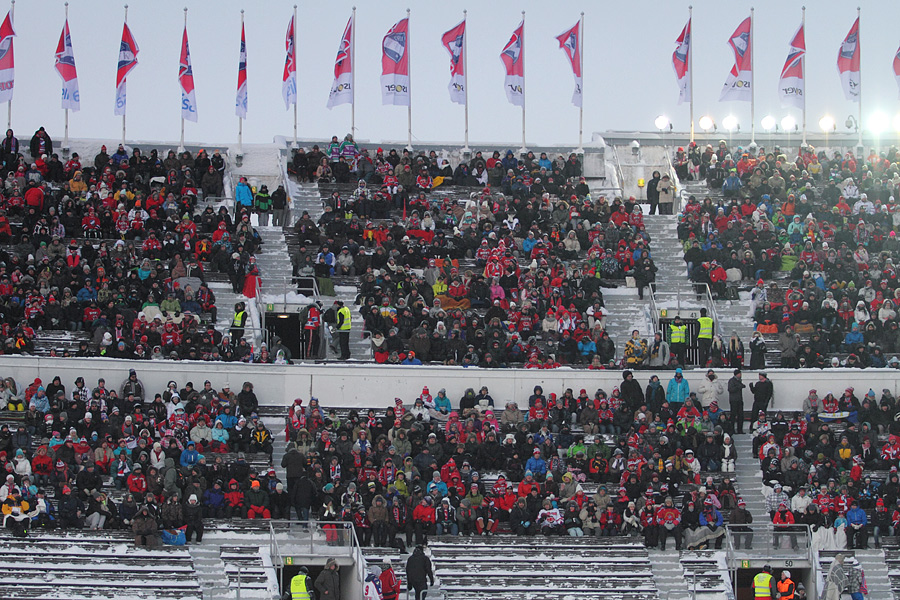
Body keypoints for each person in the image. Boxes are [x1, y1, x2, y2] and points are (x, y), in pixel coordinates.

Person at [728, 369, 746, 434]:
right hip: (734, 400)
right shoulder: (731, 381)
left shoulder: (739, 381)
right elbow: (730, 389)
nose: (740, 375)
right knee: (733, 415)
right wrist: (739, 387)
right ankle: (732, 429)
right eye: (739, 374)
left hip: (739, 400)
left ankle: (740, 430)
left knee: (741, 415)